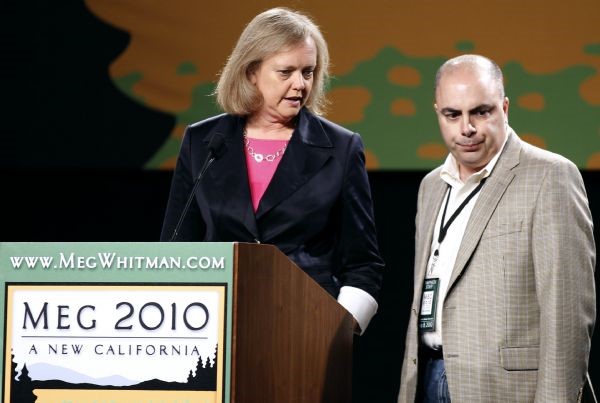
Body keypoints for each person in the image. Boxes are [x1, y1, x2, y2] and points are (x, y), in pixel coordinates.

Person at [160, 7, 384, 334]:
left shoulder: (341, 148)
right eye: (286, 72)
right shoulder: (203, 141)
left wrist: (339, 330)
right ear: (251, 72)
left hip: (307, 328)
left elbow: (364, 262)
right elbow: (176, 248)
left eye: (307, 72)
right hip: (212, 326)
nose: (299, 85)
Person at [398, 54, 596, 402]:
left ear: (504, 107)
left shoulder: (550, 176)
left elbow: (567, 315)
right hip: (427, 377)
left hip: (505, 390)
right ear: (437, 113)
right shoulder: (431, 186)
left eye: (481, 111)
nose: (467, 128)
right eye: (452, 114)